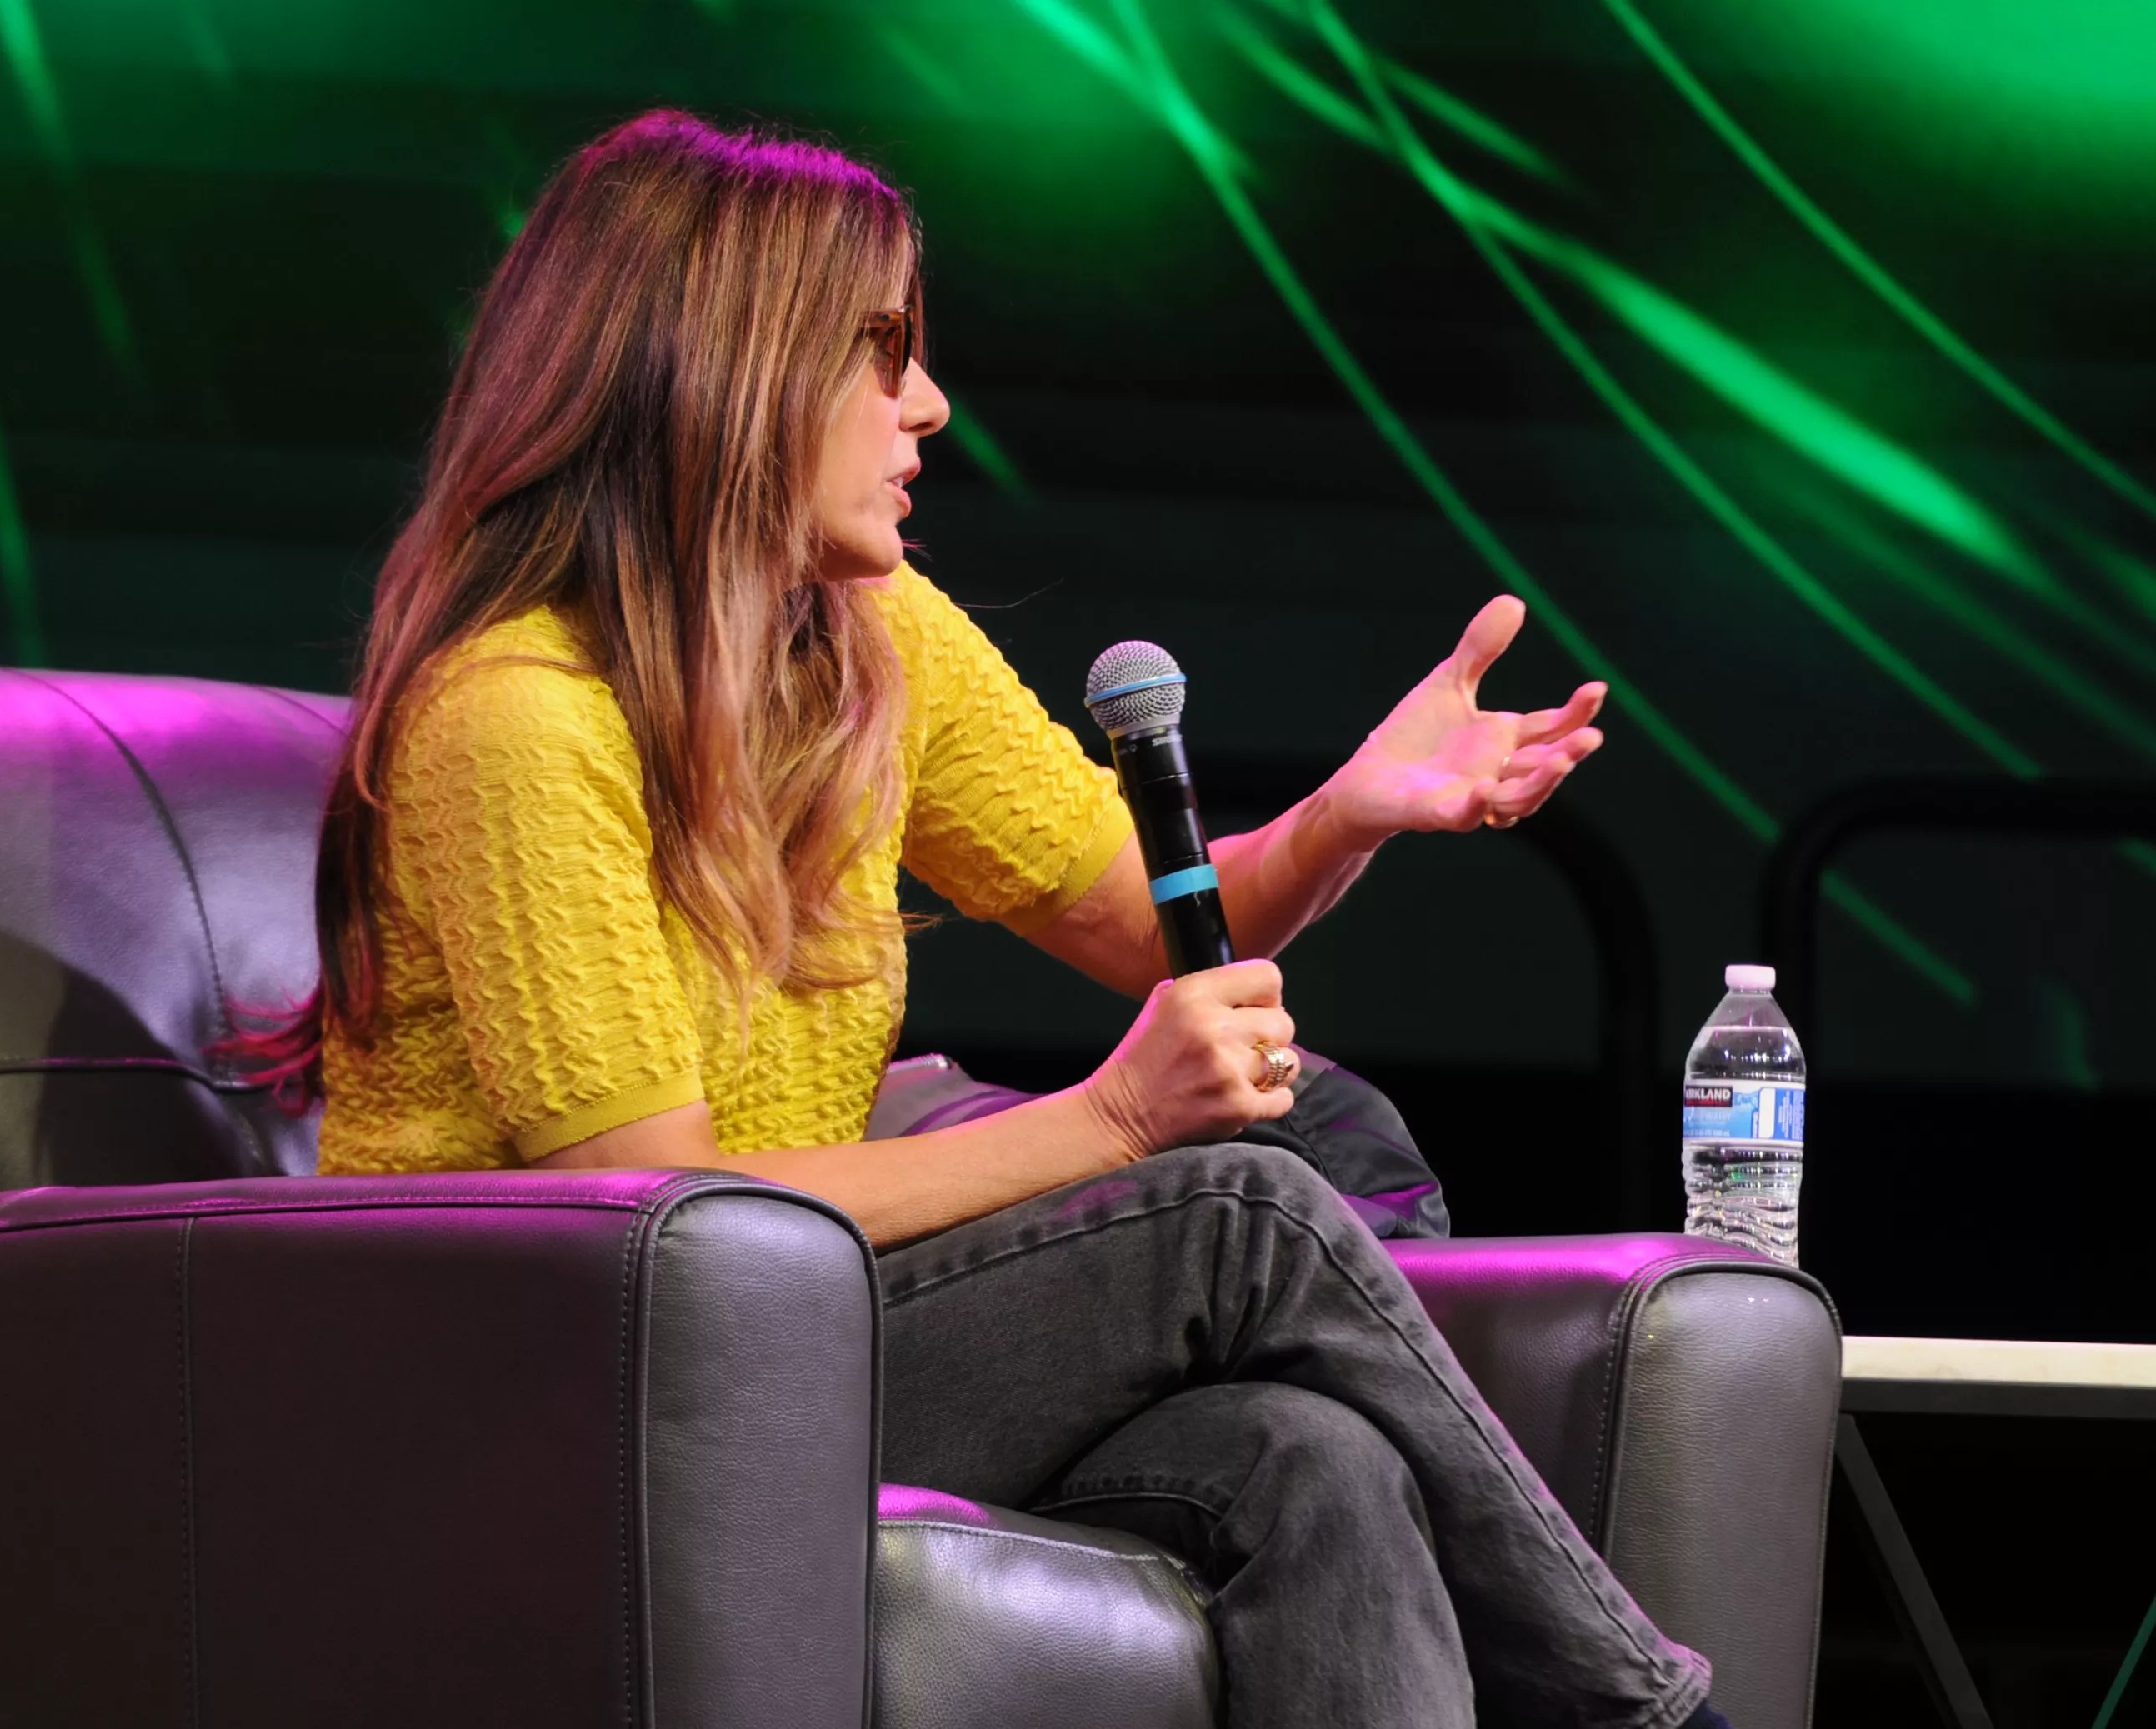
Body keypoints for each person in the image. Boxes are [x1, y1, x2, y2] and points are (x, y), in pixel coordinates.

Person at [247, 109, 1730, 1729]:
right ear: (726, 381)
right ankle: (1650, 1716)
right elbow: (657, 1211)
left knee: (1311, 1454)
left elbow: (1148, 924)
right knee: (1241, 1211)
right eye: (881, 358)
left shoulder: (867, 642)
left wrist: (1350, 811)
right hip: (555, 1384)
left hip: (776, 1330)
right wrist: (1113, 1123)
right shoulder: (519, 713)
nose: (930, 406)